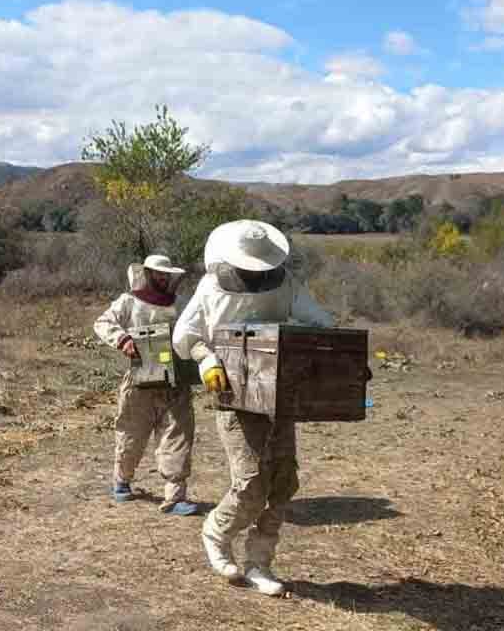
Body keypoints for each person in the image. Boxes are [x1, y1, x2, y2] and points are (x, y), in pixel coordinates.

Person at [173, 219, 340, 597]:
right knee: (250, 482)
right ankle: (216, 534)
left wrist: (314, 347)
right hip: (233, 395)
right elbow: (186, 336)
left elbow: (320, 320)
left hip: (278, 393)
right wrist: (206, 359)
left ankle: (259, 562)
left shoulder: (286, 282)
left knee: (283, 481)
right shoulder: (211, 285)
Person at [93, 254, 201, 516]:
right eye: (158, 273)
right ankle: (122, 483)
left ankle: (175, 497)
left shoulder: (180, 304)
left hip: (176, 380)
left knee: (177, 435)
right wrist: (123, 340)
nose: (162, 277)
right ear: (148, 274)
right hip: (140, 379)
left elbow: (195, 329)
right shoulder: (129, 301)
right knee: (132, 432)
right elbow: (103, 322)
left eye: (166, 274)